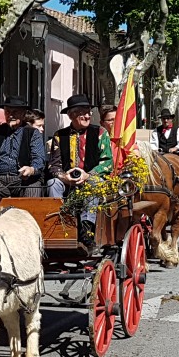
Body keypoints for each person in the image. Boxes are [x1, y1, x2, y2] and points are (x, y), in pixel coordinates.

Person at [48, 94, 113, 250]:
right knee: (52, 183)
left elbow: (107, 163)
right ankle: (58, 224)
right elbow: (53, 166)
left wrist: (87, 175)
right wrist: (65, 177)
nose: (87, 115)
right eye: (82, 112)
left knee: (93, 183)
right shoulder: (59, 135)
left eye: (88, 112)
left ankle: (86, 230)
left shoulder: (100, 132)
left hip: (91, 178)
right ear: (71, 115)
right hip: (67, 182)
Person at [0, 95, 46, 198]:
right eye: (7, 112)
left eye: (15, 112)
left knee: (33, 190)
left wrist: (31, 169)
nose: (10, 115)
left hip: (23, 181)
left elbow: (39, 159)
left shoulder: (32, 133)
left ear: (23, 114)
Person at [99, 104, 140, 168]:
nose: (115, 122)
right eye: (110, 120)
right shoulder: (98, 139)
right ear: (102, 123)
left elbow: (135, 155)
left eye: (117, 119)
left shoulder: (125, 138)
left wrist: (133, 161)